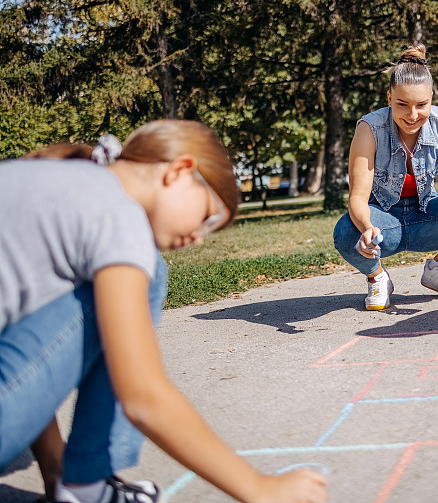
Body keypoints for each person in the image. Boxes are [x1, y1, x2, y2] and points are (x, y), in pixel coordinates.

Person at [0, 121, 327, 503]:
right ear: (179, 171)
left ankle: (76, 485)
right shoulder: (117, 212)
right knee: (151, 273)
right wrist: (260, 489)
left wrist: (55, 473)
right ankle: (88, 485)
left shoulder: (64, 180)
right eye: (207, 217)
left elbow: (29, 351)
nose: (198, 238)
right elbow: (142, 396)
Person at [333, 45, 438, 310]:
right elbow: (357, 196)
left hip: (427, 216)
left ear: (432, 98)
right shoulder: (370, 128)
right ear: (389, 97)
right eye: (402, 104)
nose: (412, 116)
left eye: (421, 105)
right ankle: (377, 278)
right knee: (346, 232)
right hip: (383, 220)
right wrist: (367, 228)